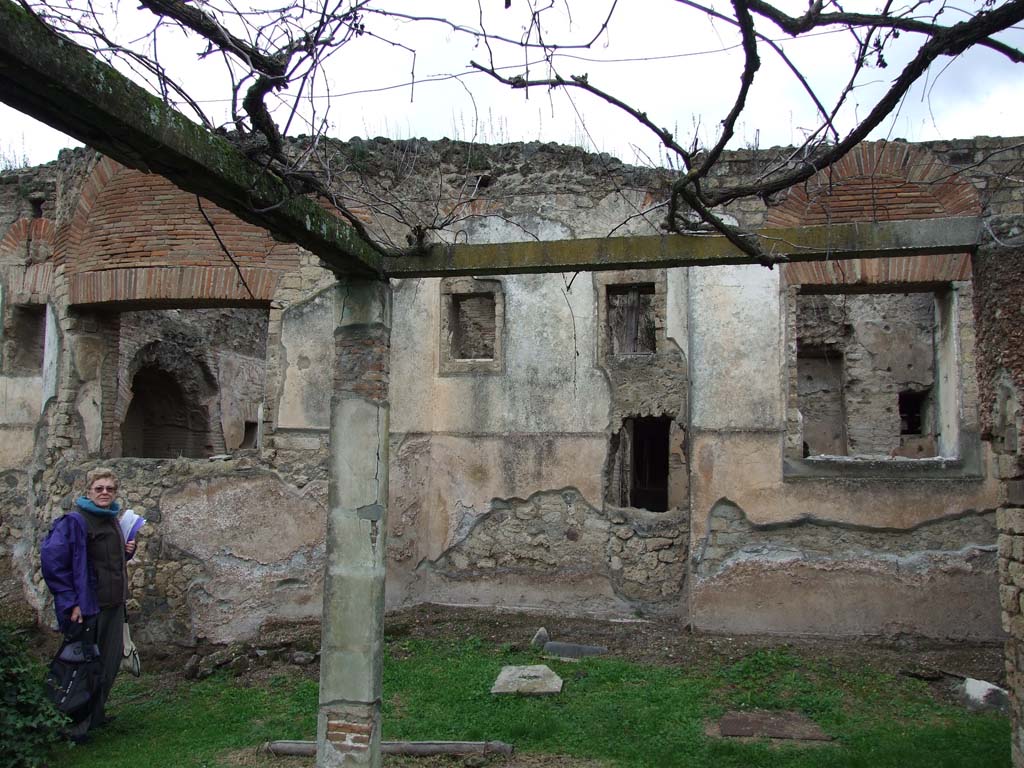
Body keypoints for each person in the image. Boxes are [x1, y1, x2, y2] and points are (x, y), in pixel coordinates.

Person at [40, 468, 137, 743]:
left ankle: (95, 714)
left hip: (113, 604)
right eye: (99, 488)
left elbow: (103, 562)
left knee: (107, 664)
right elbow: (53, 561)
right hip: (88, 608)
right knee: (82, 668)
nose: (105, 492)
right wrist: (71, 602)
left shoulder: (112, 520)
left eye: (109, 488)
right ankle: (73, 726)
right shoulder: (75, 521)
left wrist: (127, 553)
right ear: (88, 492)